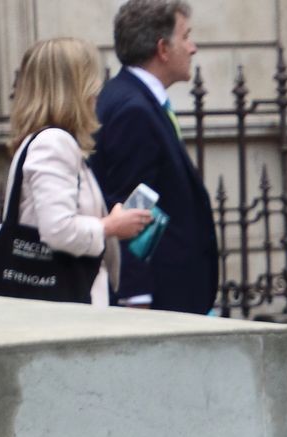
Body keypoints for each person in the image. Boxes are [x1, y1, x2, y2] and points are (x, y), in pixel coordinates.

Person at [0, 37, 150, 308]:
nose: (97, 94)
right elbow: (58, 230)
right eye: (91, 83)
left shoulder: (46, 141)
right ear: (76, 89)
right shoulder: (54, 143)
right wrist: (110, 226)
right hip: (62, 308)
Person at [91, 2, 220, 314]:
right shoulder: (133, 109)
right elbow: (129, 205)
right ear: (162, 48)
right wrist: (137, 296)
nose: (192, 47)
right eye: (185, 37)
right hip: (160, 299)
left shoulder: (137, 98)